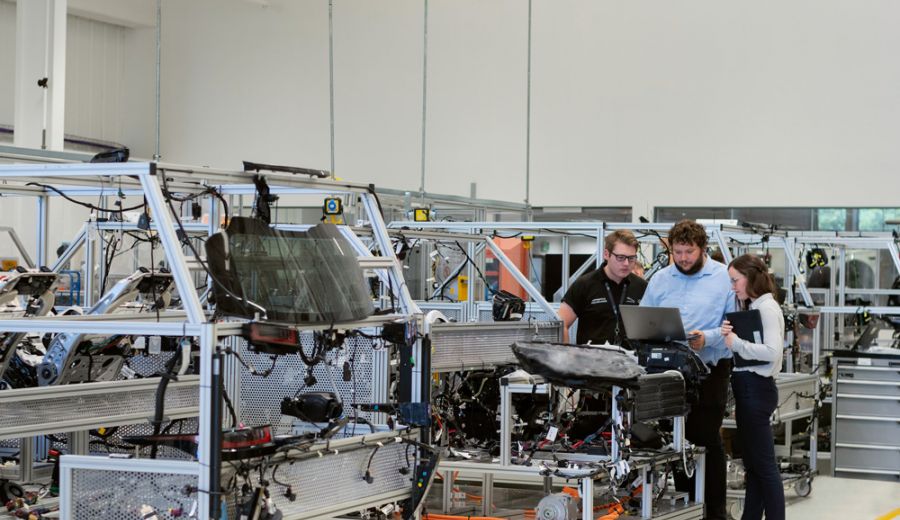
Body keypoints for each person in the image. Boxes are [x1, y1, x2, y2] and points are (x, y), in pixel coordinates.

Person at [640, 220, 735, 520]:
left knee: (705, 438)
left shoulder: (723, 278)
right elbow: (643, 319)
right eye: (678, 252)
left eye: (689, 252)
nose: (682, 258)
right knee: (676, 443)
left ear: (703, 248)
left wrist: (709, 337)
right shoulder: (661, 279)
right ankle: (687, 510)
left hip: (709, 370)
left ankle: (714, 512)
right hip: (669, 373)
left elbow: (734, 324)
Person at [720, 254, 785, 520]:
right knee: (755, 467)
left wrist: (736, 343)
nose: (733, 287)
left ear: (750, 277)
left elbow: (772, 352)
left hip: (756, 389)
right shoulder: (756, 307)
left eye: (735, 280)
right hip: (750, 389)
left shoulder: (766, 308)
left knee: (765, 467)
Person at [559, 230, 647, 346]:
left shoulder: (642, 287)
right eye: (620, 257)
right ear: (606, 254)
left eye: (631, 258)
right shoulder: (584, 284)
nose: (626, 263)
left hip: (631, 356)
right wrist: (566, 353)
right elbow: (561, 324)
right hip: (592, 356)